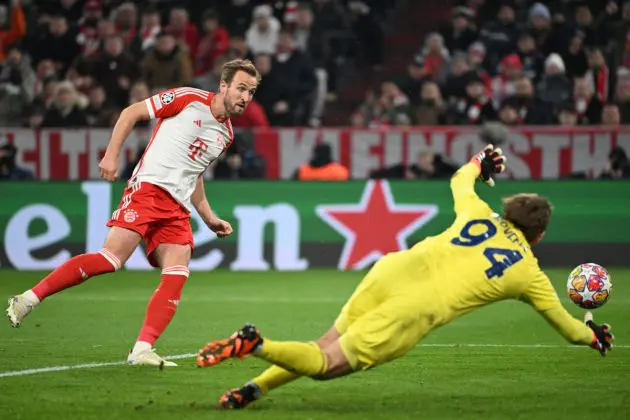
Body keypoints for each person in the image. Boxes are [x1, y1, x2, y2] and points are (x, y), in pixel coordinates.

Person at [195, 144, 614, 408]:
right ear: (538, 235)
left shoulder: (478, 211)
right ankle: (256, 343)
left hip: (394, 269)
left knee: (324, 343)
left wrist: (480, 163)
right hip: (417, 308)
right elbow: (570, 330)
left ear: (508, 212)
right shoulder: (529, 273)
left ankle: (253, 389)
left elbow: (460, 178)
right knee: (326, 364)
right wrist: (594, 335)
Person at [6, 59, 261, 367]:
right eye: (241, 88)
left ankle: (142, 349)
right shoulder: (188, 99)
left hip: (177, 208)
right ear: (224, 86)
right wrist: (111, 156)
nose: (246, 97)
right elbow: (132, 112)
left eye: (252, 91)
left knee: (177, 271)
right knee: (111, 259)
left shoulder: (226, 135)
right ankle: (29, 299)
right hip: (148, 190)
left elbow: (195, 173)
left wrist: (208, 216)